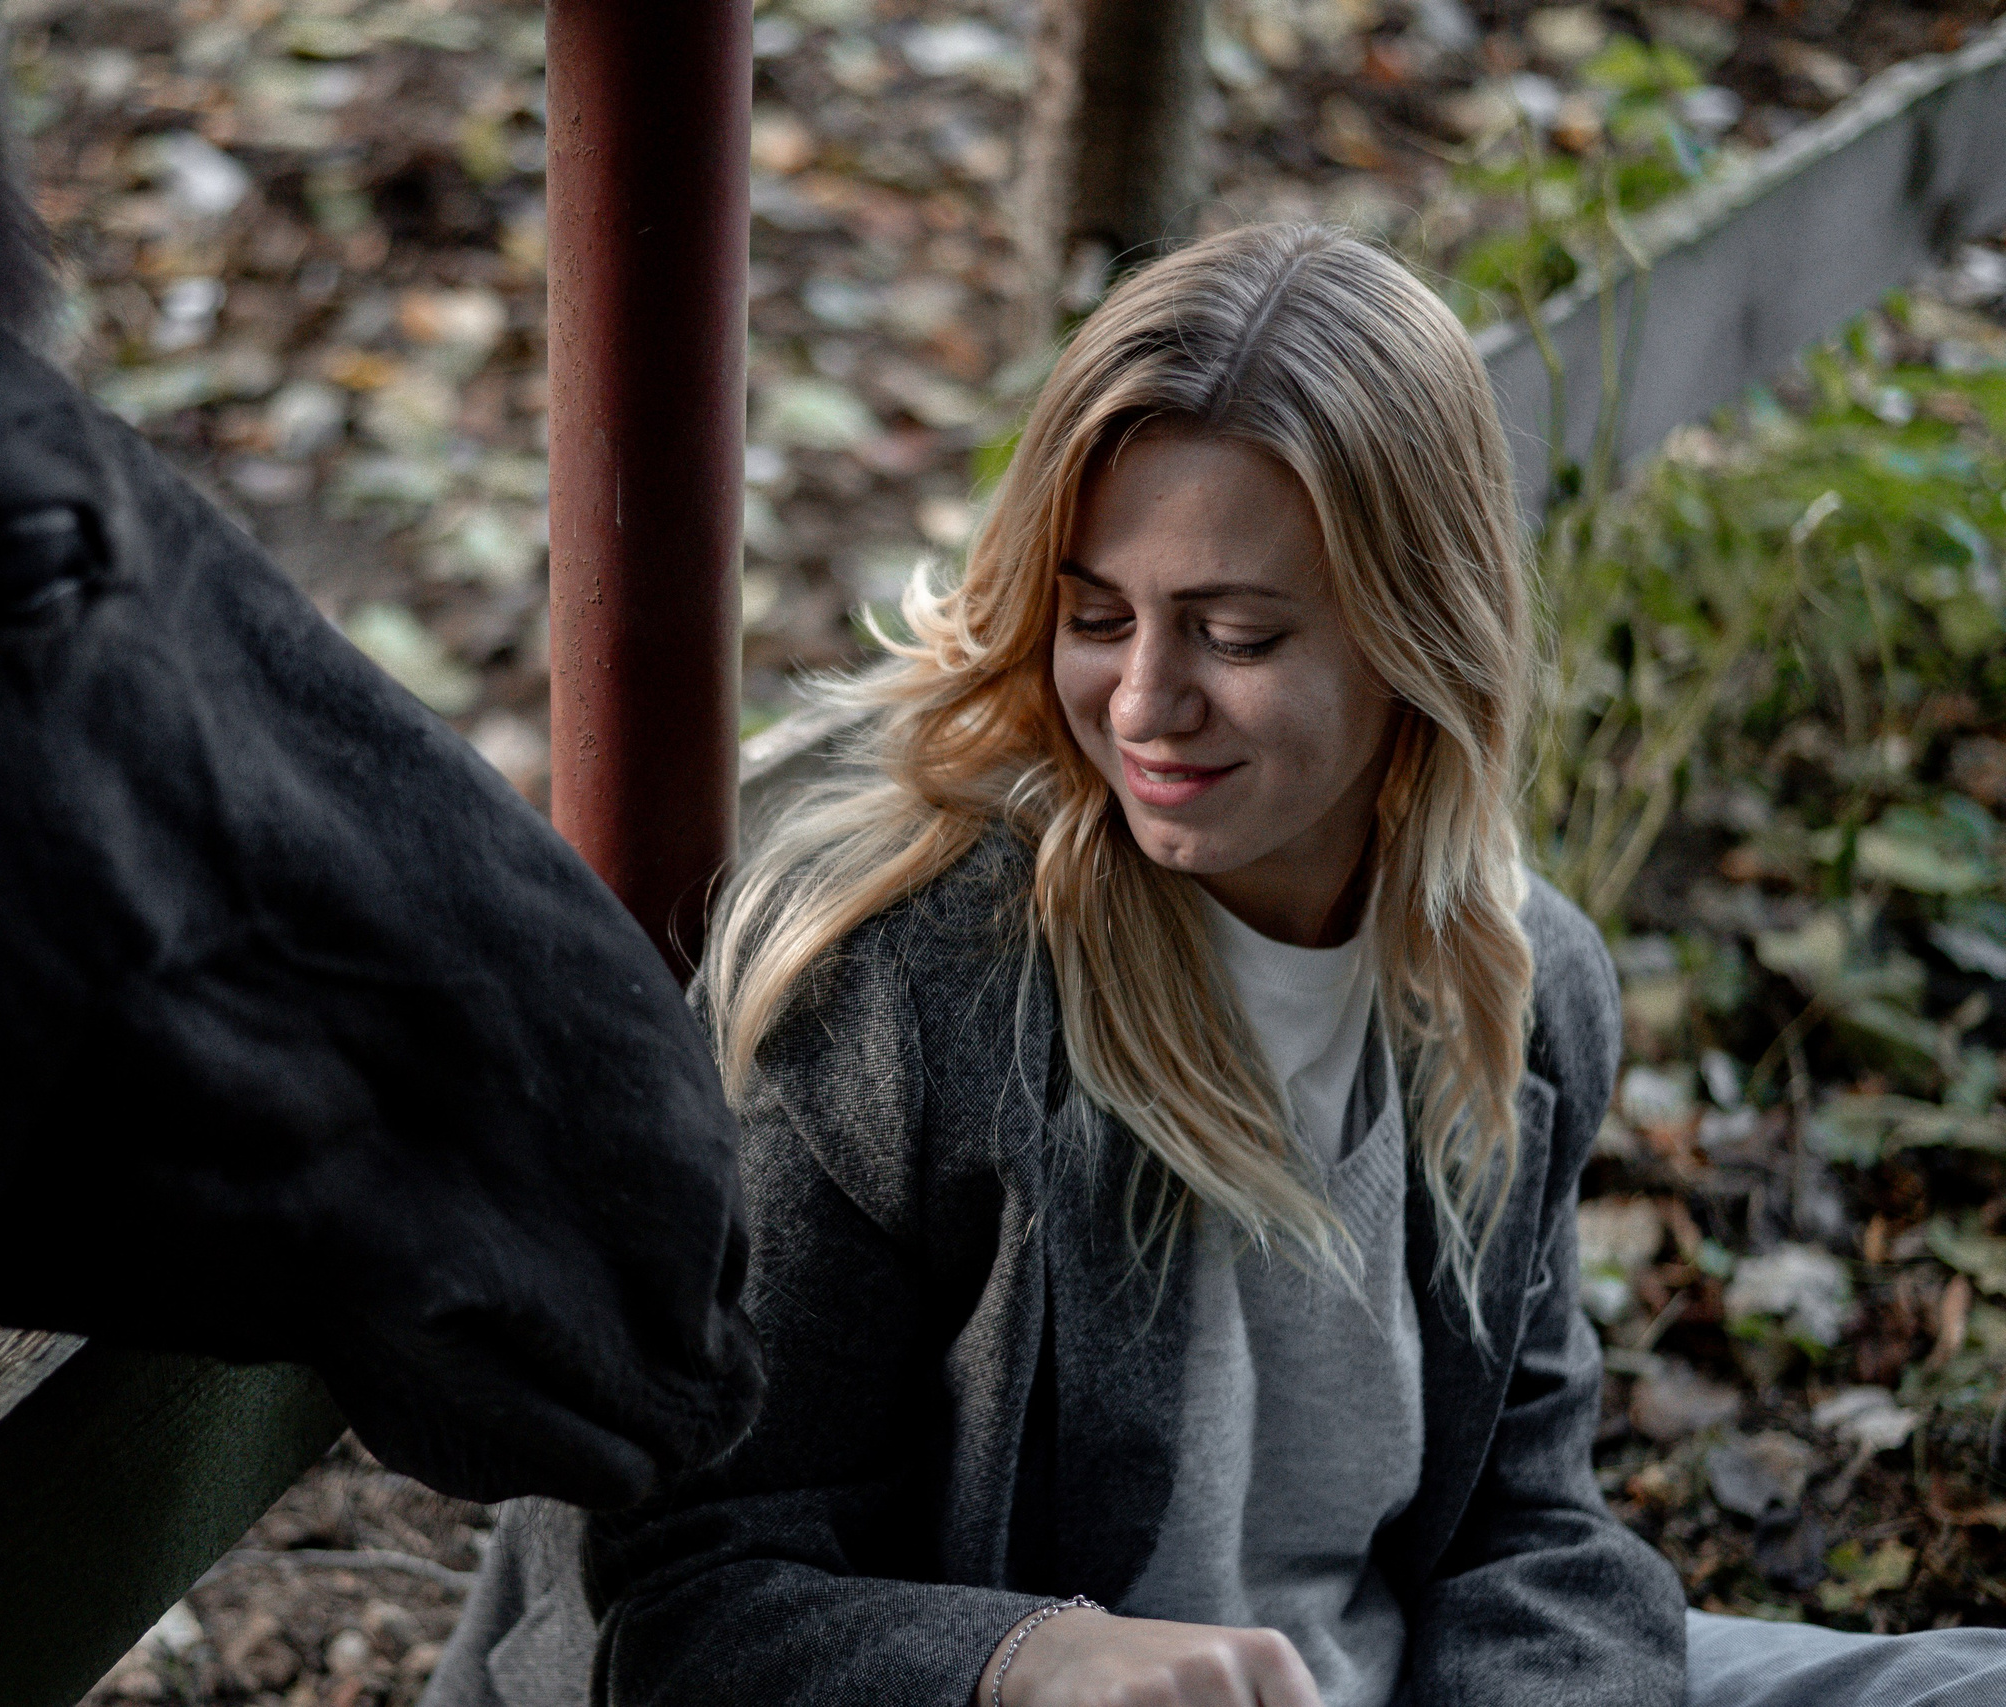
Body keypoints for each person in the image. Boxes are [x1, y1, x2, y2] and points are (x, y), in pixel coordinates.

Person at [422, 224, 2005, 1707]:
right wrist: (1034, 1660)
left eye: (1237, 636)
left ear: (1418, 636)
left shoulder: (1511, 984)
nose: (1143, 704)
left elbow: (1522, 1526)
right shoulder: (910, 988)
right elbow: (667, 1604)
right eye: (1098, 615)